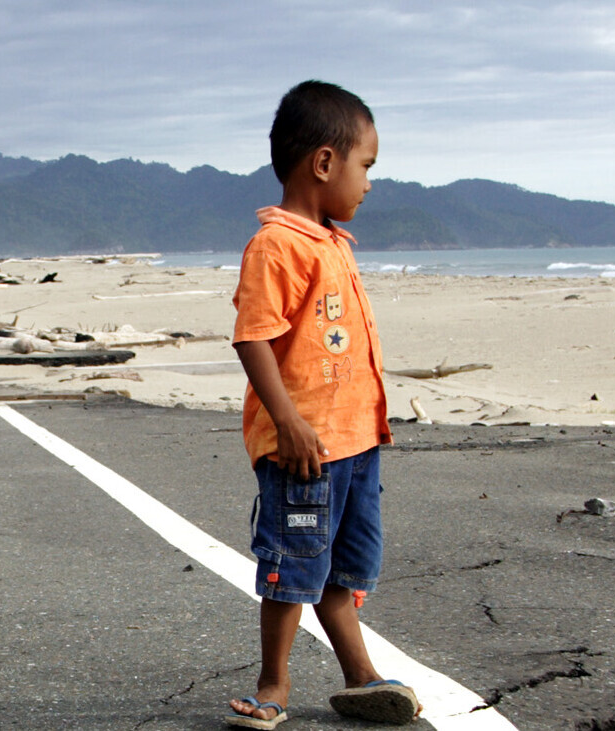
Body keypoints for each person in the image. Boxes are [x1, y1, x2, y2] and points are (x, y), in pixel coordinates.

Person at [224, 80, 421, 728]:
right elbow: (253, 336)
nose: (368, 182)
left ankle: (361, 677)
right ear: (325, 163)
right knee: (292, 566)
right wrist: (287, 421)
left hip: (357, 443)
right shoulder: (276, 245)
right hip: (304, 447)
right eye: (366, 166)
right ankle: (272, 682)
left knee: (344, 570)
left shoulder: (332, 242)